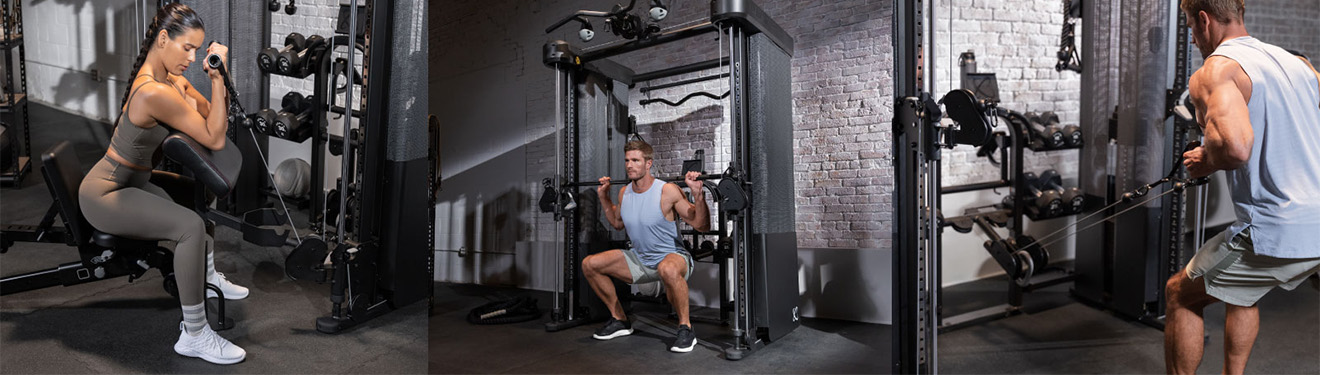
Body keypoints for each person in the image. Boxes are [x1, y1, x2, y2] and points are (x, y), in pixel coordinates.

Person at [78, 3, 247, 365]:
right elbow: (215, 136)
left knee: (191, 195)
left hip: (132, 182)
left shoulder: (169, 81)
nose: (192, 57)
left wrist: (212, 85)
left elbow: (207, 113)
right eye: (187, 48)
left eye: (198, 50)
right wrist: (218, 79)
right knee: (189, 227)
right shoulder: (154, 92)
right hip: (106, 193)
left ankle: (208, 277)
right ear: (164, 38)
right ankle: (196, 334)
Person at [1167, 0, 1320, 374]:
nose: (1192, 35)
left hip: (1276, 231)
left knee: (1179, 295)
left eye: (1189, 26)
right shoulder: (1299, 65)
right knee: (1242, 289)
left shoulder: (1214, 70)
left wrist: (1206, 160)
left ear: (1203, 20)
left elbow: (1235, 147)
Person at [581, 140, 710, 353]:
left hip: (673, 257)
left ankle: (686, 328)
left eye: (635, 160)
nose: (629, 165)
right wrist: (604, 198)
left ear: (648, 163)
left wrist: (698, 195)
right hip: (640, 259)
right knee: (590, 264)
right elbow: (617, 223)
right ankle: (620, 320)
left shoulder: (667, 191)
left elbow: (701, 225)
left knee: (666, 269)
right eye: (627, 160)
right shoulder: (624, 192)